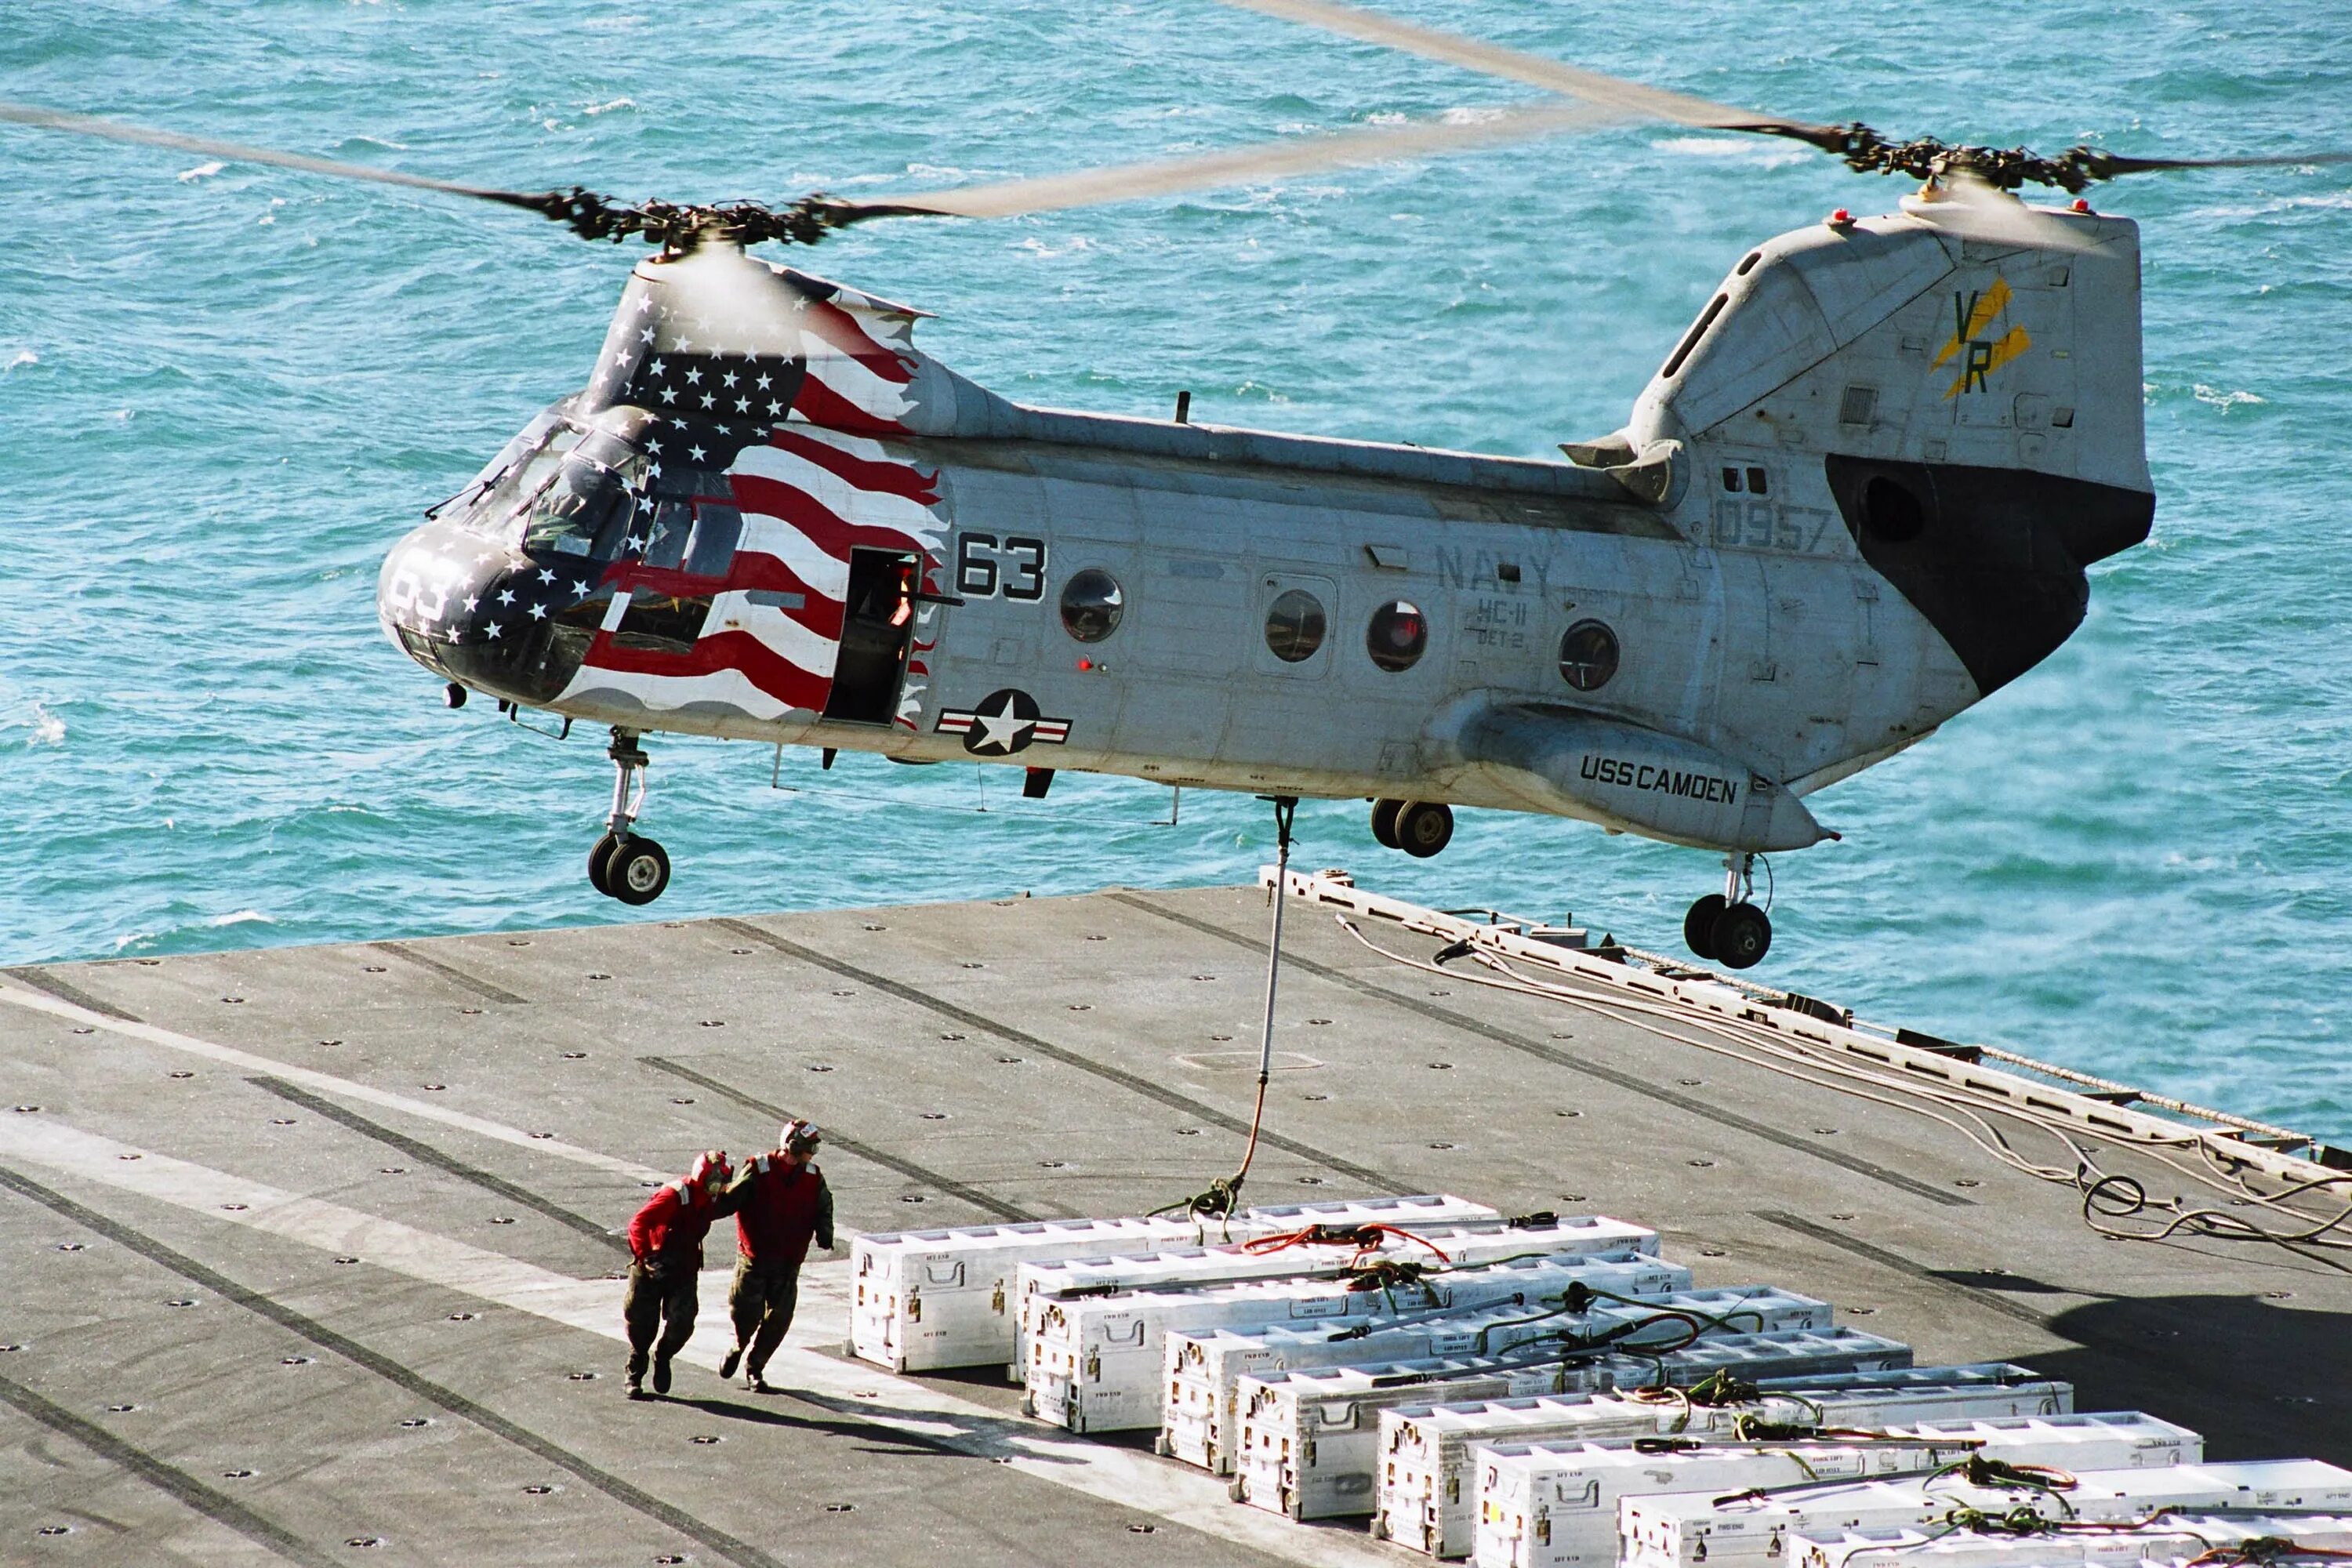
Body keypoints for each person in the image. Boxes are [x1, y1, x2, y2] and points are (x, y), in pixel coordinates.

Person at [718, 1120, 835, 1392]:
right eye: (810, 1147)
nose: (813, 1154)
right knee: (746, 1314)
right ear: (795, 1146)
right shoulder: (759, 1169)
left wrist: (825, 1233)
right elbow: (732, 1199)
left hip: (788, 1262)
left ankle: (755, 1367)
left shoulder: (812, 1176)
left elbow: (824, 1205)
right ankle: (739, 1345)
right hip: (754, 1260)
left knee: (780, 1318)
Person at [622, 1149, 736, 1399]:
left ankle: (662, 1356)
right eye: (714, 1179)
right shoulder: (674, 1196)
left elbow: (732, 1201)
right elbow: (638, 1223)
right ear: (701, 1178)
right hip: (653, 1267)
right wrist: (646, 1257)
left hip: (684, 1269)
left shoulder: (710, 1198)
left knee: (683, 1323)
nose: (718, 1185)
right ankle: (634, 1372)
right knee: (641, 1325)